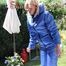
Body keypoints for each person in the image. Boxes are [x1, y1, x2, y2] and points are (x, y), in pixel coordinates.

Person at [10, 0, 62, 66]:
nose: (29, 10)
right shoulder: (29, 18)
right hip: (43, 47)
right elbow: (32, 34)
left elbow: (54, 31)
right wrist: (30, 46)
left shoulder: (46, 15)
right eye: (27, 9)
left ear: (36, 6)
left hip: (52, 47)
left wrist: (58, 46)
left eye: (30, 8)